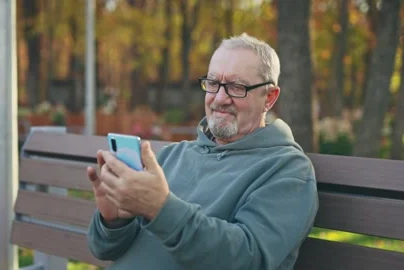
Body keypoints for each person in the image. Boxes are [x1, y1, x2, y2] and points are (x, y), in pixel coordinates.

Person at [86, 33, 319, 270]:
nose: (219, 98)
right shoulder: (172, 156)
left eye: (236, 87)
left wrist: (161, 209)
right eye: (213, 83)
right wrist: (113, 221)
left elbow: (248, 258)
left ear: (269, 98)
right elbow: (103, 249)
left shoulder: (288, 171)